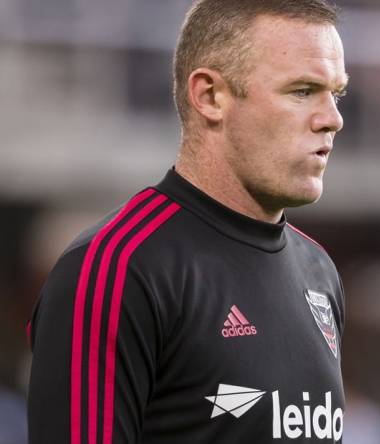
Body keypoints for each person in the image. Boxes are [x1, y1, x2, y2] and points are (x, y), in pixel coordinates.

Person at [27, 0, 349, 442]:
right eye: (301, 91)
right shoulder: (118, 268)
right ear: (210, 96)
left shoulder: (320, 272)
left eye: (337, 93)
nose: (332, 118)